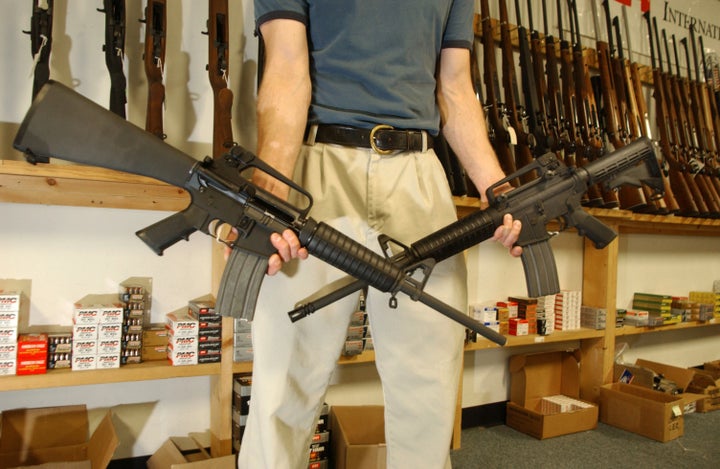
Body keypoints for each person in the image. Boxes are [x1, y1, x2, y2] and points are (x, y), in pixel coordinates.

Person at [237, 1, 523, 468]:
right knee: (286, 380)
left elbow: (453, 85)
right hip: (317, 170)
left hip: (419, 174)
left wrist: (499, 190)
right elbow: (287, 66)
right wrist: (270, 195)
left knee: (427, 382)